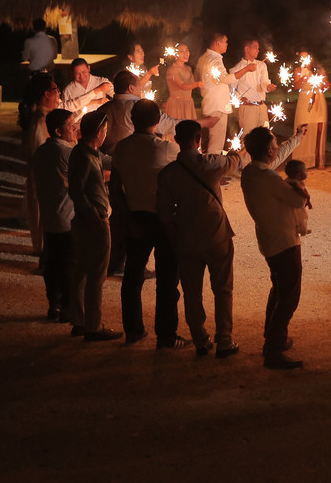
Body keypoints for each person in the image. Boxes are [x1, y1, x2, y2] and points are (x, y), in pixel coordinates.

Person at [156, 120, 244, 358]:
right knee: (223, 290)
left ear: (176, 140)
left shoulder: (168, 174)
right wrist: (237, 152)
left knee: (192, 292)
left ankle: (200, 340)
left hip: (187, 238)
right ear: (199, 140)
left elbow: (164, 215)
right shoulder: (211, 164)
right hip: (217, 235)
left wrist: (176, 239)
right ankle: (224, 340)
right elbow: (234, 161)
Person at [110, 99, 188, 348]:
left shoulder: (121, 148)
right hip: (164, 219)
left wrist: (127, 219)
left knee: (133, 276)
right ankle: (166, 335)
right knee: (167, 278)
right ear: (157, 121)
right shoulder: (168, 149)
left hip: (135, 217)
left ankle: (133, 330)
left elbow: (115, 189)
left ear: (133, 120)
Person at [242, 126, 312, 370]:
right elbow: (297, 200)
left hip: (268, 238)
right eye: (274, 145)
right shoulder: (268, 178)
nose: (276, 149)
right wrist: (299, 186)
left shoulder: (250, 171)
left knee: (279, 288)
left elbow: (278, 157)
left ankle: (274, 337)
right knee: (289, 296)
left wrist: (297, 139)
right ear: (269, 150)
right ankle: (273, 349)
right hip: (284, 240)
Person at [66, 110, 122, 342]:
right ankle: (93, 326)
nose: (106, 134)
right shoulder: (83, 157)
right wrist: (92, 214)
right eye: (105, 131)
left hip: (88, 218)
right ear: (99, 132)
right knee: (97, 274)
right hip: (94, 220)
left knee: (82, 270)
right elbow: (76, 189)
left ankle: (79, 320)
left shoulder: (88, 152)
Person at [31, 109, 78, 320]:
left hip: (49, 217)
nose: (75, 128)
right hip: (67, 217)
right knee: (69, 263)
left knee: (53, 262)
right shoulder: (66, 153)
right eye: (71, 125)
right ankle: (68, 306)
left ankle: (55, 304)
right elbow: (86, 176)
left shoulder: (41, 151)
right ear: (58, 131)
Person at [19, 72, 63, 262]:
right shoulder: (41, 121)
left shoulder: (45, 117)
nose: (59, 93)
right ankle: (47, 257)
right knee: (45, 218)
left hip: (46, 179)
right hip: (45, 180)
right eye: (56, 89)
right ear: (47, 93)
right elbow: (42, 154)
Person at [196, 33, 257, 155]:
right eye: (225, 42)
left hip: (211, 103)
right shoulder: (213, 60)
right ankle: (213, 165)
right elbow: (225, 79)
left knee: (215, 140)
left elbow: (200, 79)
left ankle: (212, 163)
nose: (227, 44)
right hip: (217, 106)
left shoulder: (204, 58)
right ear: (218, 43)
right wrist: (246, 69)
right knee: (216, 143)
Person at [291, 54, 329, 169]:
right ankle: (303, 160)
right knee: (304, 128)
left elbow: (327, 86)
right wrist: (303, 79)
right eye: (302, 57)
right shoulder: (298, 70)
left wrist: (323, 83)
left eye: (306, 56)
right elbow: (295, 87)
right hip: (305, 101)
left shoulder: (319, 70)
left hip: (319, 100)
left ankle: (319, 159)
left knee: (319, 129)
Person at [232, 39, 276, 132]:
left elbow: (264, 81)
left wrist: (268, 87)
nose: (258, 50)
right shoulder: (237, 68)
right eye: (255, 47)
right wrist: (239, 97)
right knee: (248, 136)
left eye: (258, 48)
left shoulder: (262, 65)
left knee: (265, 135)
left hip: (261, 106)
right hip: (247, 108)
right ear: (247, 49)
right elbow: (231, 89)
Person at [164, 42, 203, 122]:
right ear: (175, 54)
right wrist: (197, 84)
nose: (186, 53)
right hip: (176, 104)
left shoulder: (188, 68)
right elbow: (182, 86)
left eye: (187, 50)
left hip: (188, 103)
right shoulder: (172, 70)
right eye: (181, 51)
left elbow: (191, 84)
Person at [283, 160, 312, 238]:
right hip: (294, 204)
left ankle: (300, 228)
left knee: (297, 217)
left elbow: (304, 189)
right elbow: (301, 191)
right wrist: (307, 197)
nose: (307, 172)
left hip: (295, 204)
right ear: (299, 175)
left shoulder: (298, 181)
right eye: (305, 170)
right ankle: (302, 230)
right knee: (300, 217)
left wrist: (308, 201)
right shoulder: (294, 183)